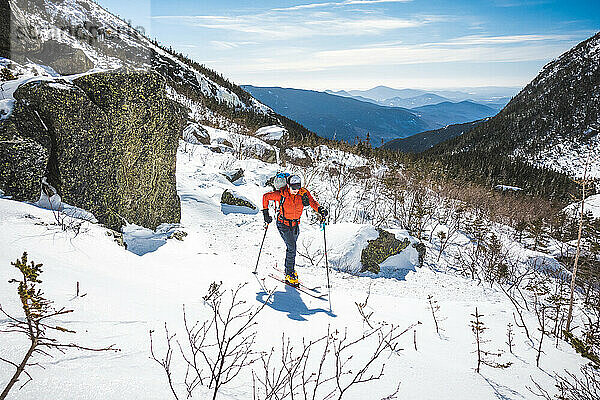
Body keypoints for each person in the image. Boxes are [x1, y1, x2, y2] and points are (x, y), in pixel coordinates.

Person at [262, 174, 327, 287]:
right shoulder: (281, 194)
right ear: (288, 185)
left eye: (298, 188)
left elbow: (312, 202)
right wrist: (265, 213)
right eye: (293, 188)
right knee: (292, 248)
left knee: (291, 248)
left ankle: (289, 268)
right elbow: (265, 197)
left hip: (295, 225)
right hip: (283, 224)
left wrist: (320, 209)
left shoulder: (303, 194)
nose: (295, 191)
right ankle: (289, 273)